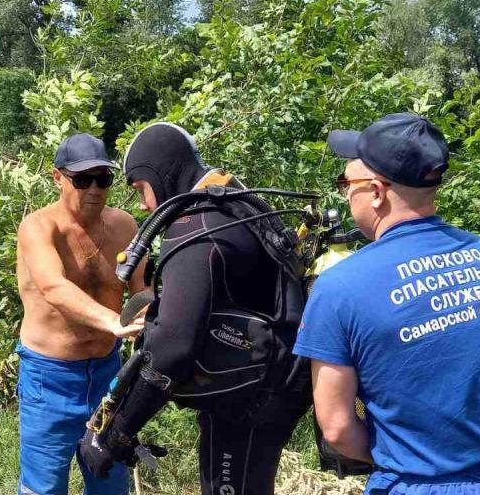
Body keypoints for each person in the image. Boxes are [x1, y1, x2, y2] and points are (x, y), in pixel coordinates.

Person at [292, 113, 480, 494]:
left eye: (346, 183)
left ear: (376, 191)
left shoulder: (340, 288)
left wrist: (403, 459)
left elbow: (338, 428)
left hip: (417, 483)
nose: (345, 194)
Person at [77, 122, 312, 495]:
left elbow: (171, 349)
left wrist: (114, 434)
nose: (143, 204)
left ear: (161, 173)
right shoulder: (233, 199)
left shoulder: (193, 225)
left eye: (141, 188)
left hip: (250, 400)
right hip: (282, 378)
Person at [16, 133, 147, 495]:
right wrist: (113, 321)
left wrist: (150, 313)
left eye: (103, 179)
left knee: (109, 479)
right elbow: (52, 287)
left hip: (108, 373)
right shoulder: (39, 228)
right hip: (49, 376)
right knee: (43, 487)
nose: (94, 189)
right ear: (58, 177)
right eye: (82, 179)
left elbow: (142, 288)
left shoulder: (125, 226)